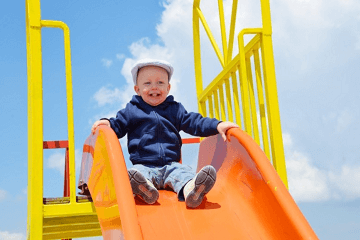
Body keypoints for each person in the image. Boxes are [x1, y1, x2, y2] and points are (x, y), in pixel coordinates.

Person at [91, 59, 238, 208]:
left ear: (168, 88)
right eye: (147, 84)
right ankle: (144, 188)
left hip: (171, 165)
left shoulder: (175, 110)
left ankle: (192, 190)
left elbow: (195, 122)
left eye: (160, 83)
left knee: (184, 174)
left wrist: (217, 125)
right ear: (137, 89)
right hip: (144, 165)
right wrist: (107, 123)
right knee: (135, 173)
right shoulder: (132, 111)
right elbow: (118, 124)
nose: (154, 87)